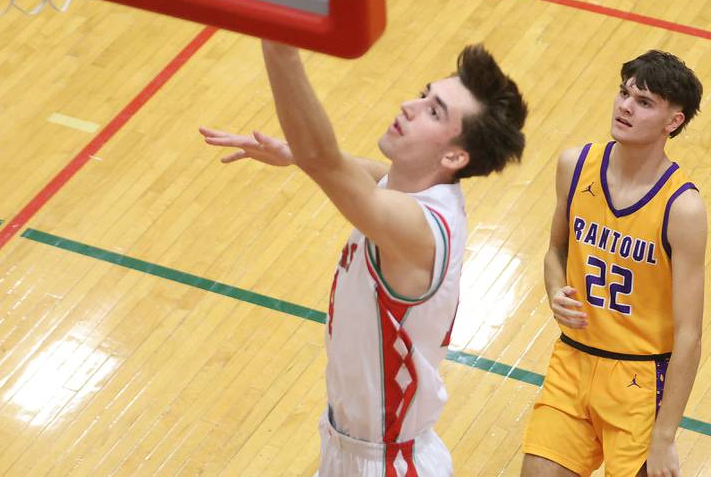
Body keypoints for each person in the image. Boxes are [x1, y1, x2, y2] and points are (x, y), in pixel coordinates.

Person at [201, 40, 527, 476]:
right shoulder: (423, 189)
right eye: (424, 94)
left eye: (434, 111)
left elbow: (327, 160)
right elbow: (368, 172)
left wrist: (281, 50)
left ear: (454, 155)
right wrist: (298, 155)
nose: (410, 105)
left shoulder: (414, 229)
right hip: (354, 449)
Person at [522, 50, 706, 477]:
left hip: (640, 383)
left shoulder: (684, 210)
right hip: (573, 360)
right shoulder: (575, 165)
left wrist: (664, 437)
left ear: (672, 122)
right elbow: (556, 252)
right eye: (624, 93)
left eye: (644, 102)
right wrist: (554, 291)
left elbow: (690, 336)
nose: (625, 106)